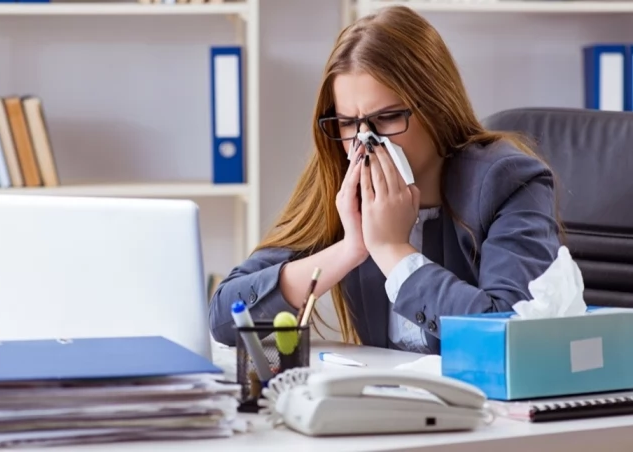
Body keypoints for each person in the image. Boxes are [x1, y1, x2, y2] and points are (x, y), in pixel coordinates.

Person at [208, 5, 561, 354]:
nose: (365, 140)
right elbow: (226, 317)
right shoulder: (341, 176)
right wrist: (350, 249)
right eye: (348, 123)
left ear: (437, 108)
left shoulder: (508, 181)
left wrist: (393, 251)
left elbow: (510, 338)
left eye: (388, 118)